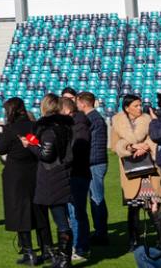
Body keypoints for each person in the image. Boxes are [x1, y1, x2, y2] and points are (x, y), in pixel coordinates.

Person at [0, 97, 53, 265]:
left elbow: (1, 149)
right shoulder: (34, 126)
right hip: (35, 171)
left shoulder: (9, 129)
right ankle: (47, 248)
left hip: (15, 175)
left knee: (20, 212)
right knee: (40, 211)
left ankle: (28, 251)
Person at [24, 93, 75, 267]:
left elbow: (47, 155)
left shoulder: (50, 129)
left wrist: (30, 146)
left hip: (53, 176)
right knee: (60, 217)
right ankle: (62, 256)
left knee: (60, 218)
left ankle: (64, 258)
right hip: (61, 172)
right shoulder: (65, 126)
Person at [112, 93, 158, 249]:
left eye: (140, 105)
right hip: (130, 170)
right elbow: (115, 146)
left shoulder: (147, 119)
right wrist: (131, 147)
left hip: (148, 170)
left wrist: (146, 146)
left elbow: (155, 137)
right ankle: (133, 241)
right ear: (127, 108)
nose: (139, 108)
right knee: (133, 207)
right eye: (136, 105)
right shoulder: (117, 121)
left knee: (153, 206)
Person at [77, 92, 110, 248]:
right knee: (96, 197)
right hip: (96, 161)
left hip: (94, 163)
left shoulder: (91, 119)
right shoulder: (96, 118)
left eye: (78, 103)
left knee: (97, 198)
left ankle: (101, 233)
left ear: (83, 103)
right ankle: (100, 232)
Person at [63, 97, 92, 261]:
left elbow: (78, 151)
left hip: (78, 173)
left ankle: (80, 247)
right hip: (74, 173)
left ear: (67, 111)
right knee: (74, 213)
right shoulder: (76, 125)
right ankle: (79, 245)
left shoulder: (80, 127)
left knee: (77, 213)